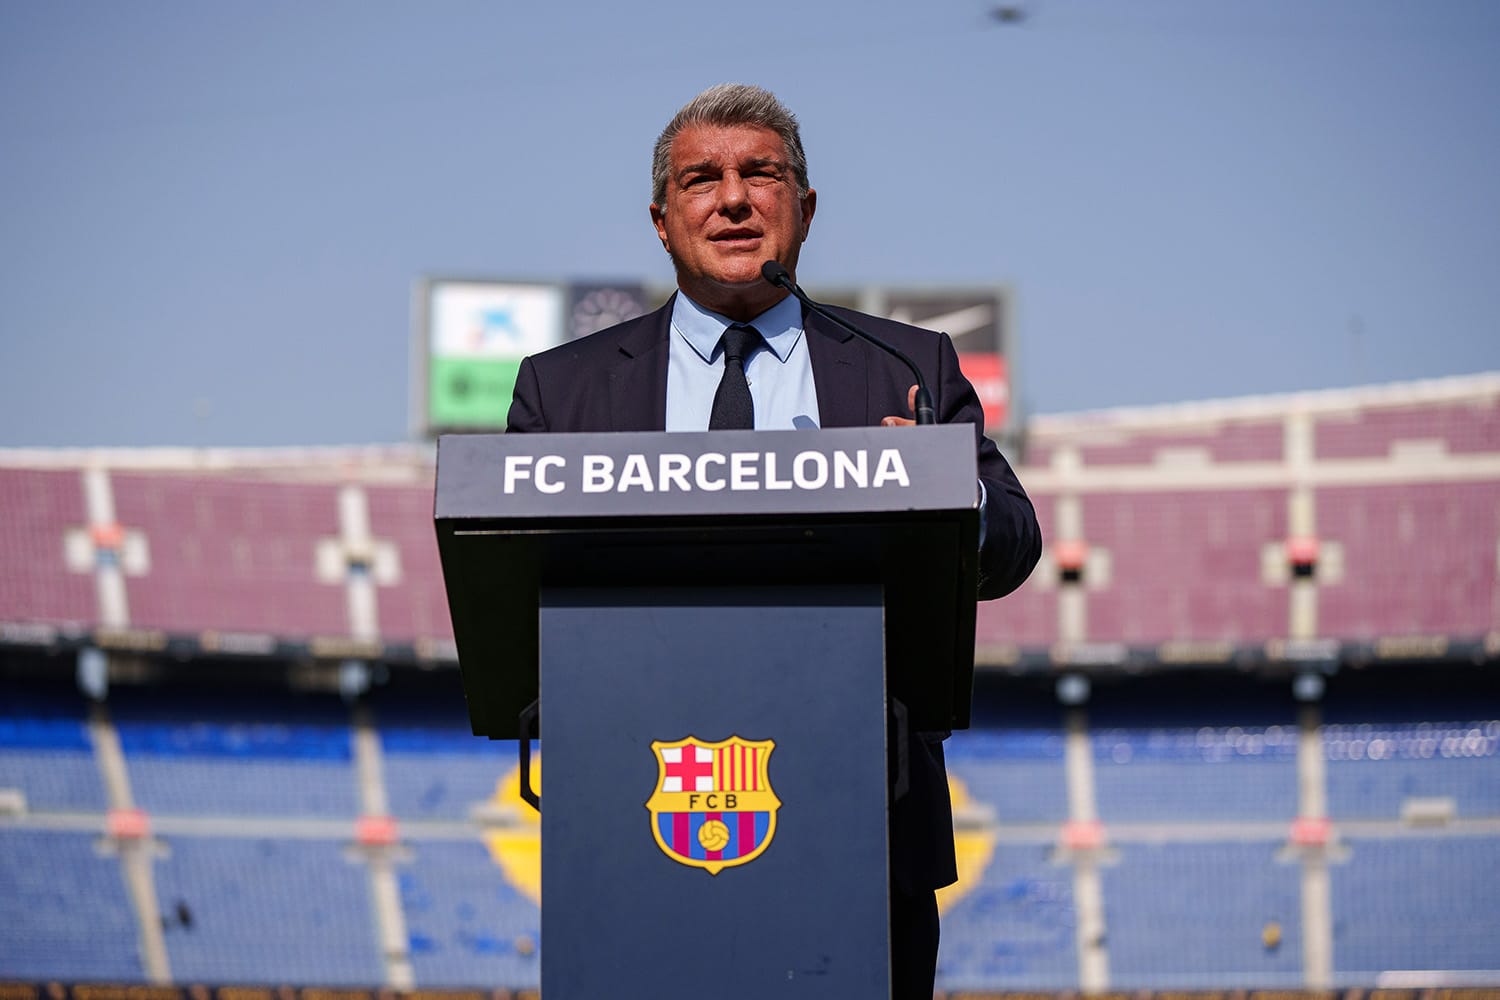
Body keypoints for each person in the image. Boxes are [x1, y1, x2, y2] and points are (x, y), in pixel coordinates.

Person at [507, 82, 1041, 998]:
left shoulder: (910, 366)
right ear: (662, 220)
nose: (735, 199)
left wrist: (942, 490)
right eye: (701, 179)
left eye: (763, 173)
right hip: (633, 820)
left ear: (806, 206)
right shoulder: (565, 392)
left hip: (871, 825)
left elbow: (1014, 543)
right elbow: (517, 600)